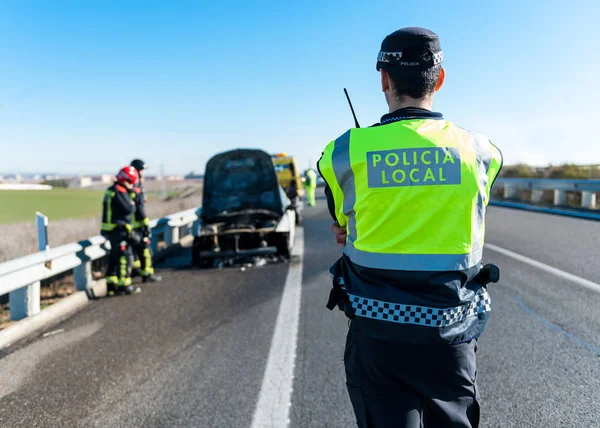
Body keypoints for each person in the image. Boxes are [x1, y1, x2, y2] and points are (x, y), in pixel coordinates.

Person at [317, 27, 503, 428]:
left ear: (384, 79)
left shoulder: (345, 151)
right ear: (439, 78)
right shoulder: (481, 151)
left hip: (378, 334)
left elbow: (342, 223)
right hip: (452, 334)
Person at [101, 166, 139, 295]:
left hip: (112, 229)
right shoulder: (120, 191)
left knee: (114, 258)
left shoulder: (112, 190)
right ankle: (124, 285)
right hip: (119, 229)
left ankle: (111, 285)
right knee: (125, 257)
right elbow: (129, 208)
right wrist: (132, 196)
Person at [130, 159, 162, 283]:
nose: (143, 173)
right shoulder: (137, 187)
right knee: (145, 250)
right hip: (137, 226)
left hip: (131, 225)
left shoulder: (132, 185)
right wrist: (145, 224)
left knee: (136, 252)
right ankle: (146, 274)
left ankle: (137, 271)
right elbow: (140, 208)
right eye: (142, 170)